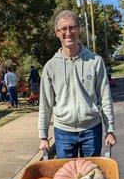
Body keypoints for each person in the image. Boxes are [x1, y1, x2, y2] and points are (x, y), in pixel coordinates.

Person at [38, 10, 116, 158]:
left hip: (91, 129)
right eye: (63, 29)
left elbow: (105, 98)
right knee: (67, 178)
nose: (68, 32)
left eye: (72, 27)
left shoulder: (95, 61)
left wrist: (110, 129)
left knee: (90, 176)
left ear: (79, 29)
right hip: (63, 132)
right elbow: (45, 104)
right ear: (57, 33)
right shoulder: (50, 67)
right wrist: (43, 136)